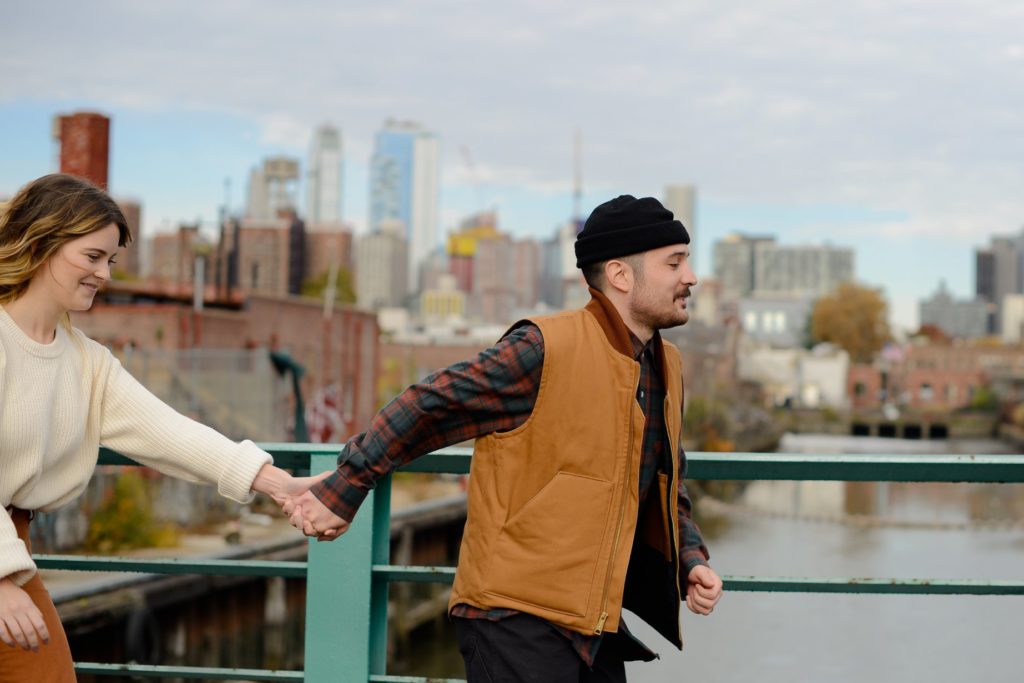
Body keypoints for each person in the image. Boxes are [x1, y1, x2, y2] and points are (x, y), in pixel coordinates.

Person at [288, 195, 724, 681]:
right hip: (514, 620)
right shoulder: (542, 348)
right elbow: (430, 403)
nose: (691, 276)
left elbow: (665, 484)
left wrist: (688, 559)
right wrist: (347, 486)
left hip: (595, 624)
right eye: (675, 262)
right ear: (621, 275)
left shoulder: (667, 367)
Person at [0, 174, 323, 683]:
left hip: (12, 551)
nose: (104, 274)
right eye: (92, 256)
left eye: (110, 260)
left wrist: (280, 484)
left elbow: (172, 434)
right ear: (43, 243)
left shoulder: (88, 363)